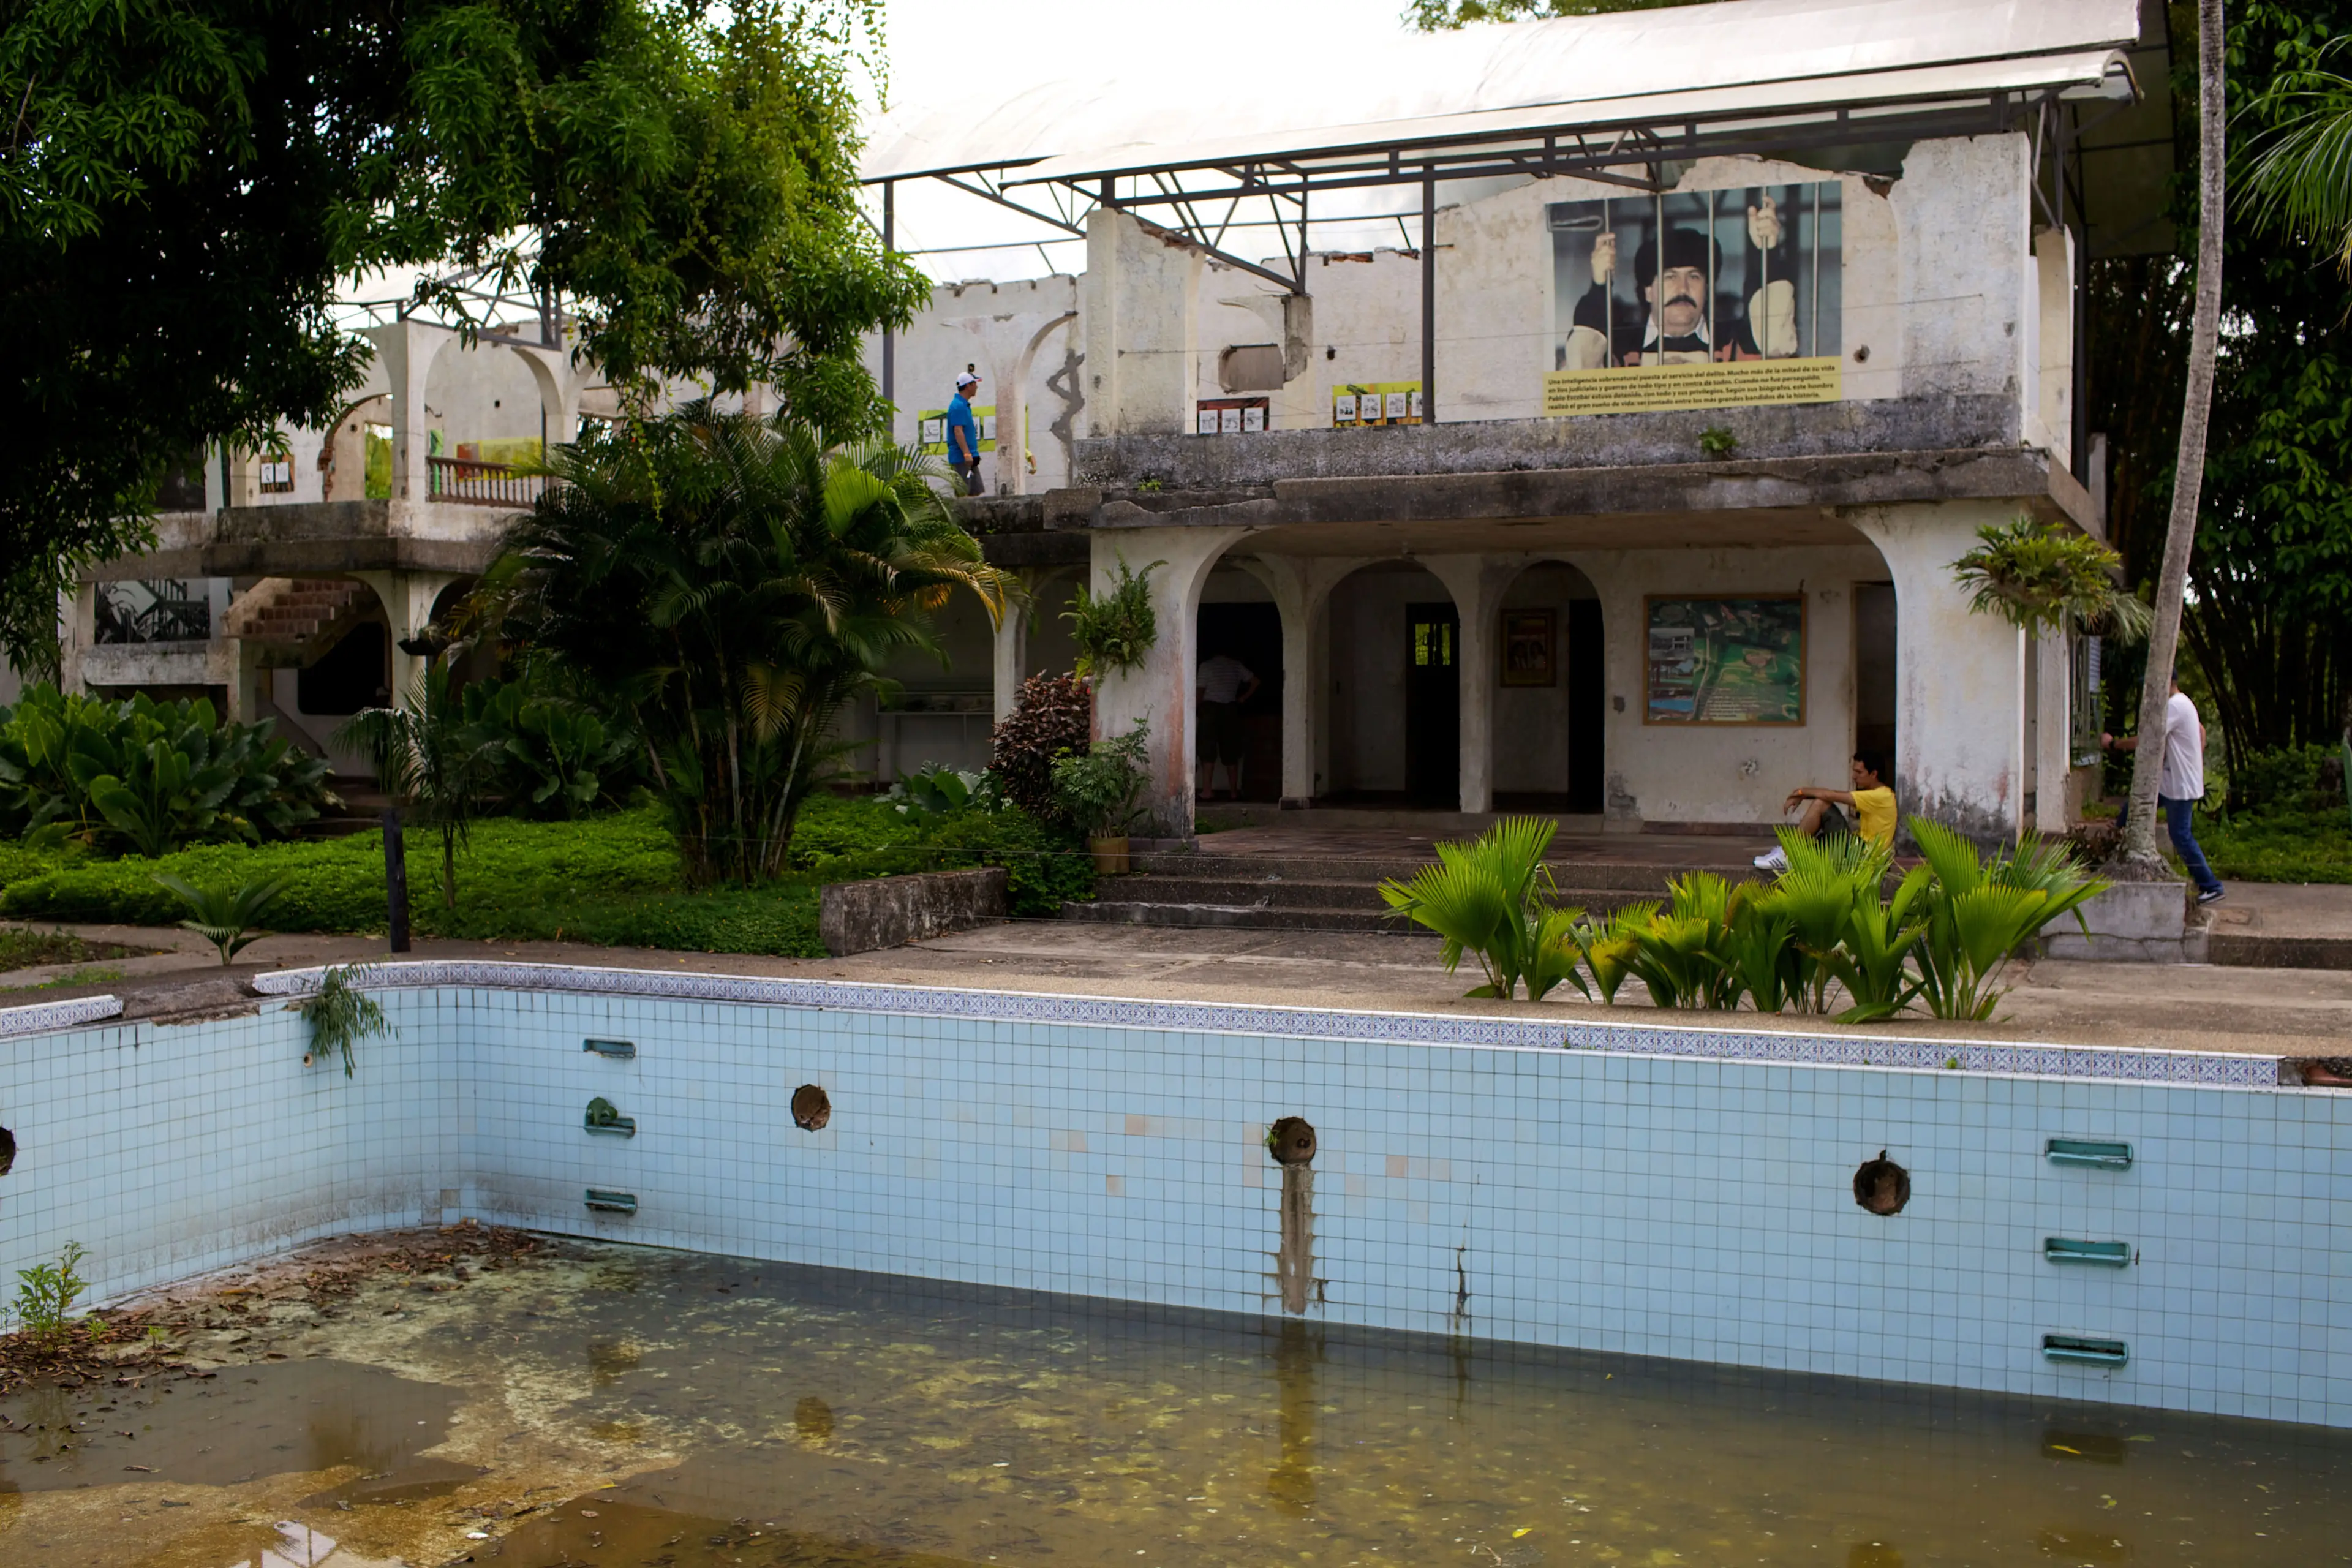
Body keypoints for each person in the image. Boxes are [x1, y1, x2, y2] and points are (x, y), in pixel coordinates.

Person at [1560, 198, 1799, 371]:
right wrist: (1600, 286)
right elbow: (1582, 368)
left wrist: (1768, 254)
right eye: (1670, 277)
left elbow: (1776, 341)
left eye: (1694, 276)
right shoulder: (1619, 349)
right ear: (1649, 291)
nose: (1683, 288)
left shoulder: (1736, 343)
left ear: (1707, 288)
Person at [2103, 674, 2225, 905]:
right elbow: (2202, 732)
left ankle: (2211, 885)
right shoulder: (2184, 702)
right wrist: (2193, 757)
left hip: (2179, 785)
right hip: (2171, 780)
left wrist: (2113, 744)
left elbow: (2147, 740)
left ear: (2167, 680)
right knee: (2136, 805)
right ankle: (2116, 831)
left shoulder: (2174, 706)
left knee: (2181, 836)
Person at [1754, 751, 1896, 873]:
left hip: (1863, 856)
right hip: (1860, 850)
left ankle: (1786, 855)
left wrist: (1801, 792)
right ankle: (1791, 856)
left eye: (1859, 772)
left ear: (1874, 774)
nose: (1854, 776)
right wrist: (1804, 795)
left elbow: (1829, 795)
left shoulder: (1881, 796)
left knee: (1821, 804)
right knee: (1820, 838)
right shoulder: (1878, 794)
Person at [1196, 652, 1261, 801]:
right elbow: (1255, 682)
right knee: (1231, 752)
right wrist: (1243, 698)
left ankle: (1207, 791)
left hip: (1210, 710)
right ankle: (1233, 792)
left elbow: (1200, 692)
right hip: (1230, 710)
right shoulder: (1236, 666)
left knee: (1207, 752)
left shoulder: (1206, 666)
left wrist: (1194, 710)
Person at [945, 370, 984, 496]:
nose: (976, 387)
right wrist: (966, 453)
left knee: (975, 492)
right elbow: (958, 431)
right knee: (964, 494)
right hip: (962, 458)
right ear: (968, 386)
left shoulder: (963, 406)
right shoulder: (958, 406)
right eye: (974, 384)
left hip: (969, 458)